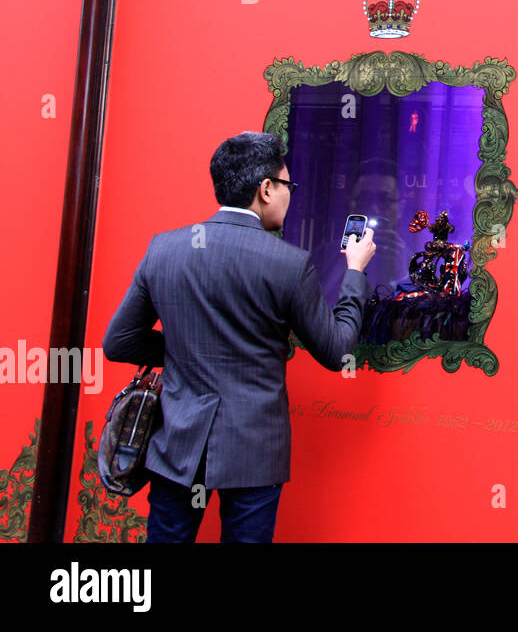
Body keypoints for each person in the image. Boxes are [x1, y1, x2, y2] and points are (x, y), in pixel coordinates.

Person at [102, 131, 376, 543]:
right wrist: (355, 272)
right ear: (266, 189)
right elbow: (337, 351)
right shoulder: (288, 263)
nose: (290, 195)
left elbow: (118, 342)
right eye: (287, 186)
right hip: (254, 452)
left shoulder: (165, 249)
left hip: (176, 444)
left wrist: (183, 352)